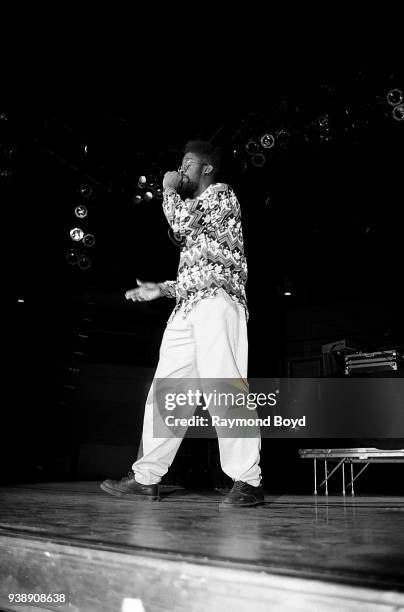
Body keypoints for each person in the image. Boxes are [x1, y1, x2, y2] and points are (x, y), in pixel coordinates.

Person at [100, 140, 263, 506]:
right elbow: (201, 266)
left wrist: (167, 188)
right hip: (188, 307)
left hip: (218, 304)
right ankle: (146, 478)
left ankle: (248, 481)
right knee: (166, 394)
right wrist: (162, 288)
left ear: (206, 168)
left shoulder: (222, 195)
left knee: (224, 387)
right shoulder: (198, 209)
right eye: (180, 164)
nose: (181, 169)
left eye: (188, 164)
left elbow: (182, 223)